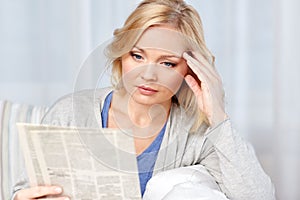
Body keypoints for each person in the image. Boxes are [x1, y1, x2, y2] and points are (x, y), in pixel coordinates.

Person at [12, 0, 276, 199]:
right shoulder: (69, 113)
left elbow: (258, 196)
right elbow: (25, 189)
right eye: (137, 56)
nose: (148, 75)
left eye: (168, 63)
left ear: (190, 69)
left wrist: (218, 115)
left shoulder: (198, 134)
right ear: (122, 55)